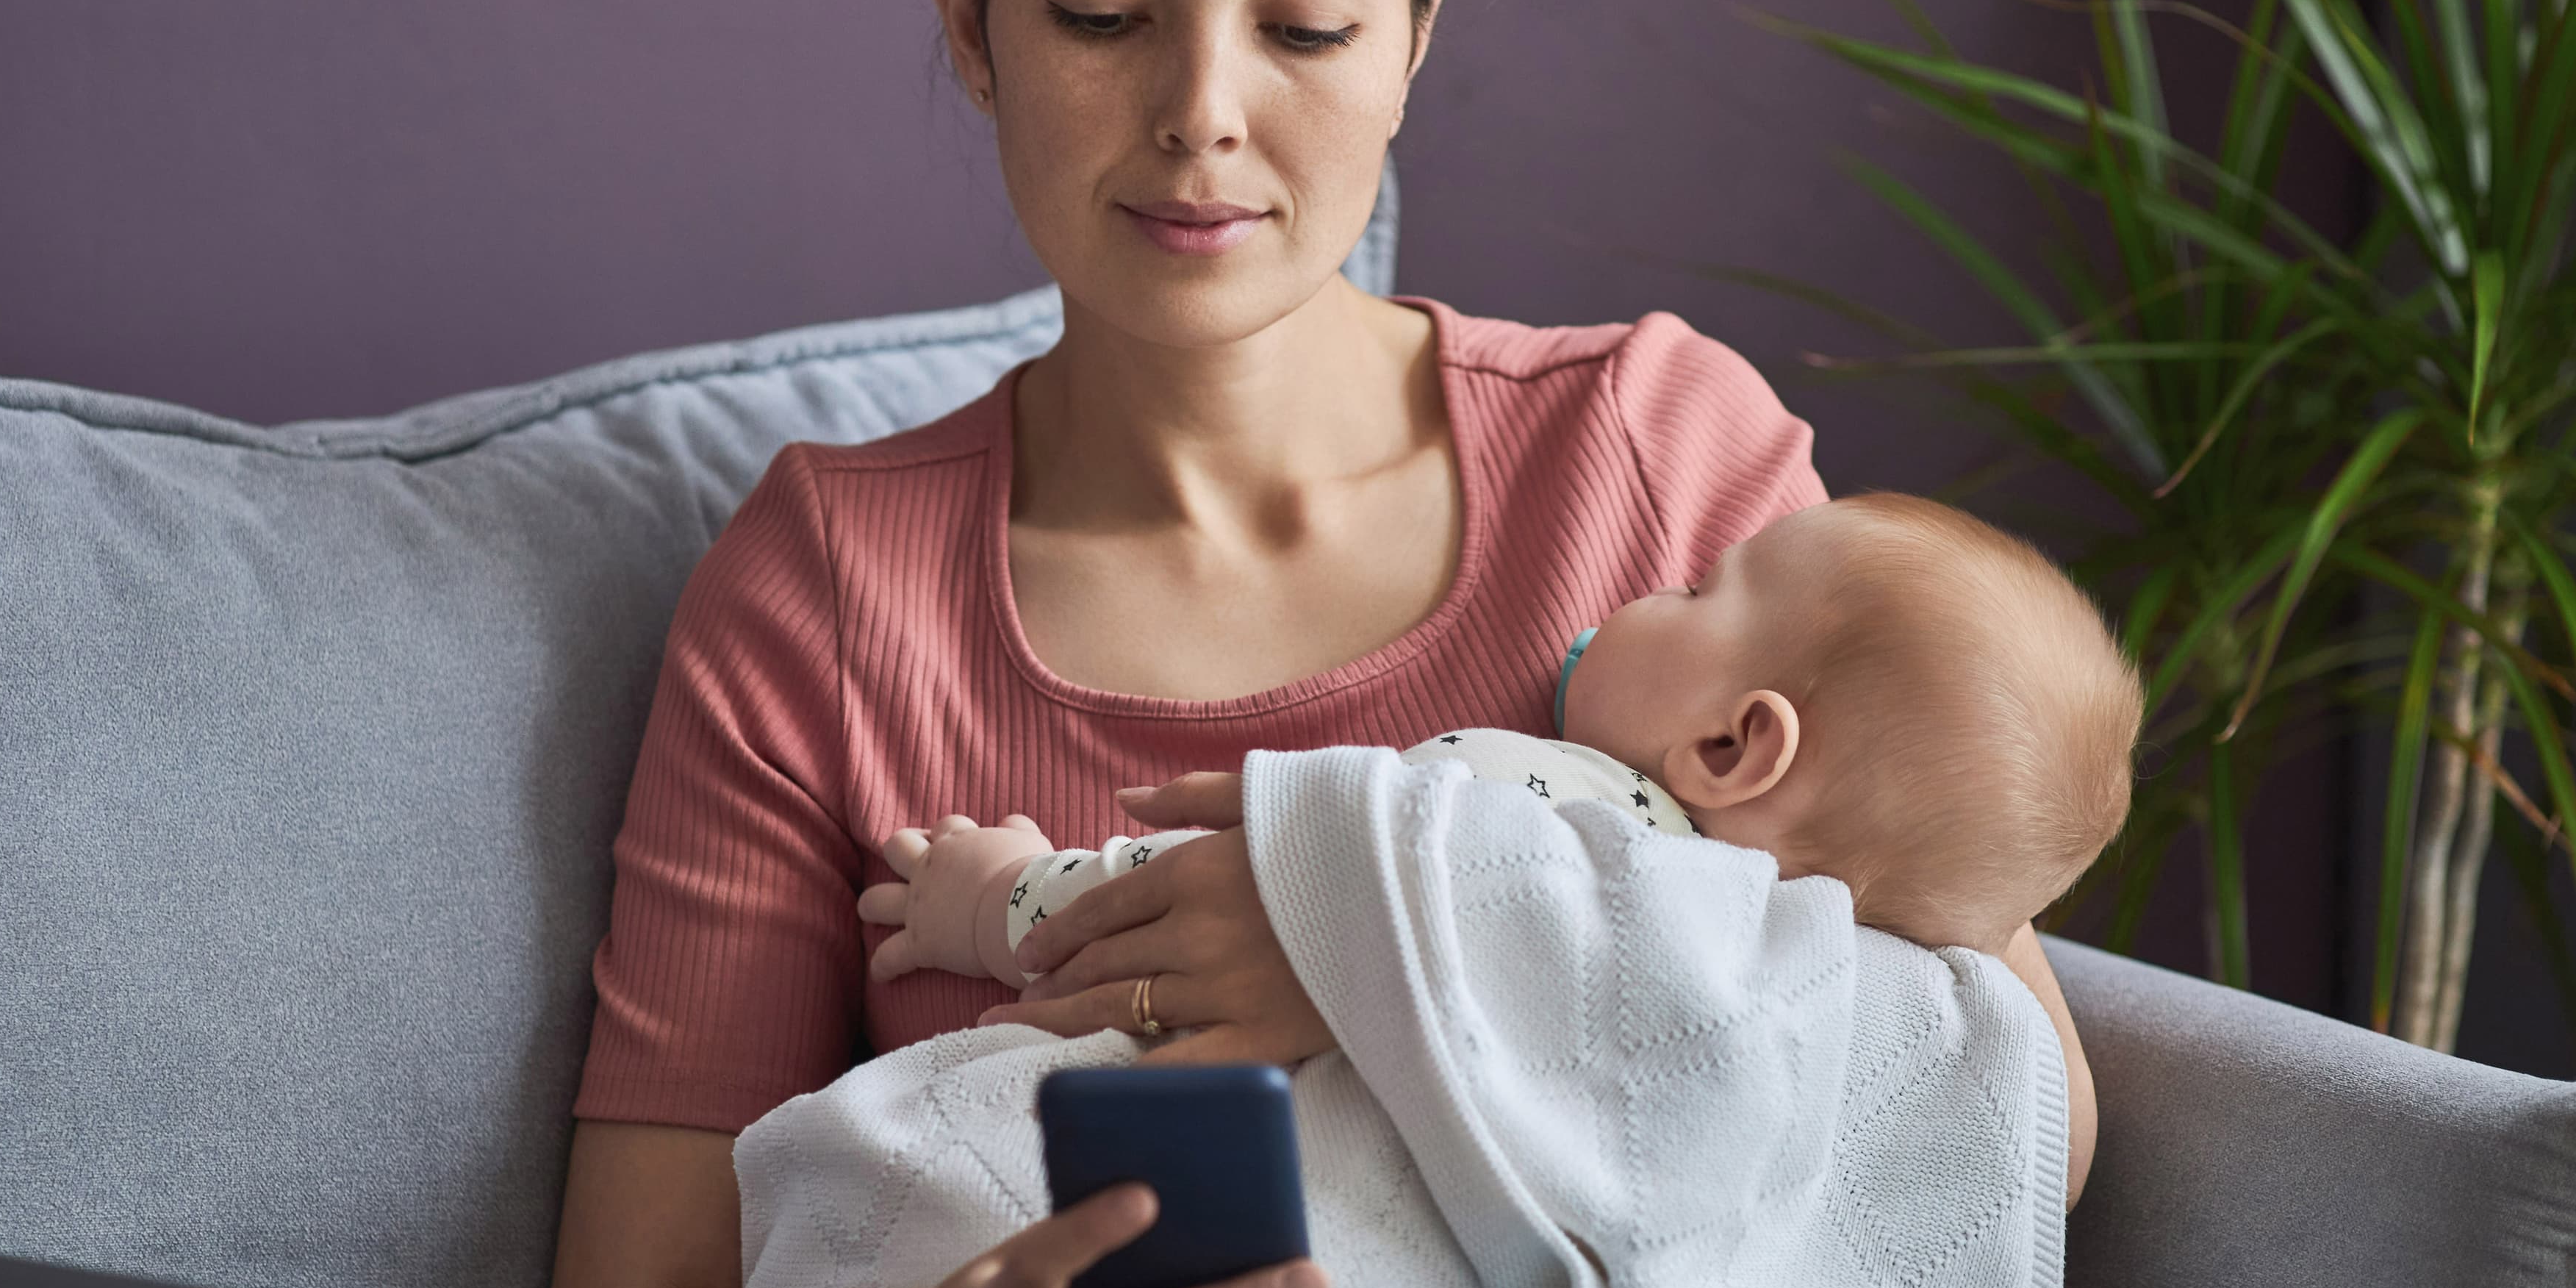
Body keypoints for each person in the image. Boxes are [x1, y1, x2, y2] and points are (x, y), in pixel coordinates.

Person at [534, 0, 2098, 1288]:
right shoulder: (830, 594)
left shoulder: (1659, 469)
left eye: (1306, 22)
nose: (1204, 111)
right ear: (967, 19)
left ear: (1420, 37)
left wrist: (1393, 960)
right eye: (1103, 14)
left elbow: (2005, 1105)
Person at [864, 493, 2145, 995]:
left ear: (1732, 749)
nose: (1653, 590)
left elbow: (1204, 907)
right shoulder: (1802, 980)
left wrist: (998, 899)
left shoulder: (1531, 804)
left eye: (1699, 592)